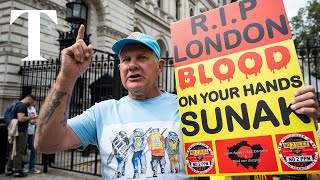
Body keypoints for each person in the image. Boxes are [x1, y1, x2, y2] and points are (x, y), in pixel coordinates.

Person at [34, 25, 320, 180]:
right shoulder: (102, 112)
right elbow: (45, 144)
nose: (132, 65)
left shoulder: (193, 107)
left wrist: (298, 117)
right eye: (125, 60)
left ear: (160, 66)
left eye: (141, 58)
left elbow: (249, 155)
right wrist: (65, 77)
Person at [6, 94, 37, 177]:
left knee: (14, 150)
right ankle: (17, 170)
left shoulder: (18, 104)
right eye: (32, 103)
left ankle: (9, 168)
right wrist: (30, 117)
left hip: (19, 130)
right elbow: (21, 118)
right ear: (29, 99)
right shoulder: (22, 106)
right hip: (21, 131)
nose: (31, 105)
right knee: (19, 151)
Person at [25, 102, 41, 174]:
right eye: (34, 101)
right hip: (25, 131)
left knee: (33, 149)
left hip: (31, 132)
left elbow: (35, 119)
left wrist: (35, 121)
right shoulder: (24, 108)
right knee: (21, 150)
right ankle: (20, 167)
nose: (35, 103)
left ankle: (32, 167)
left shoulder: (33, 108)